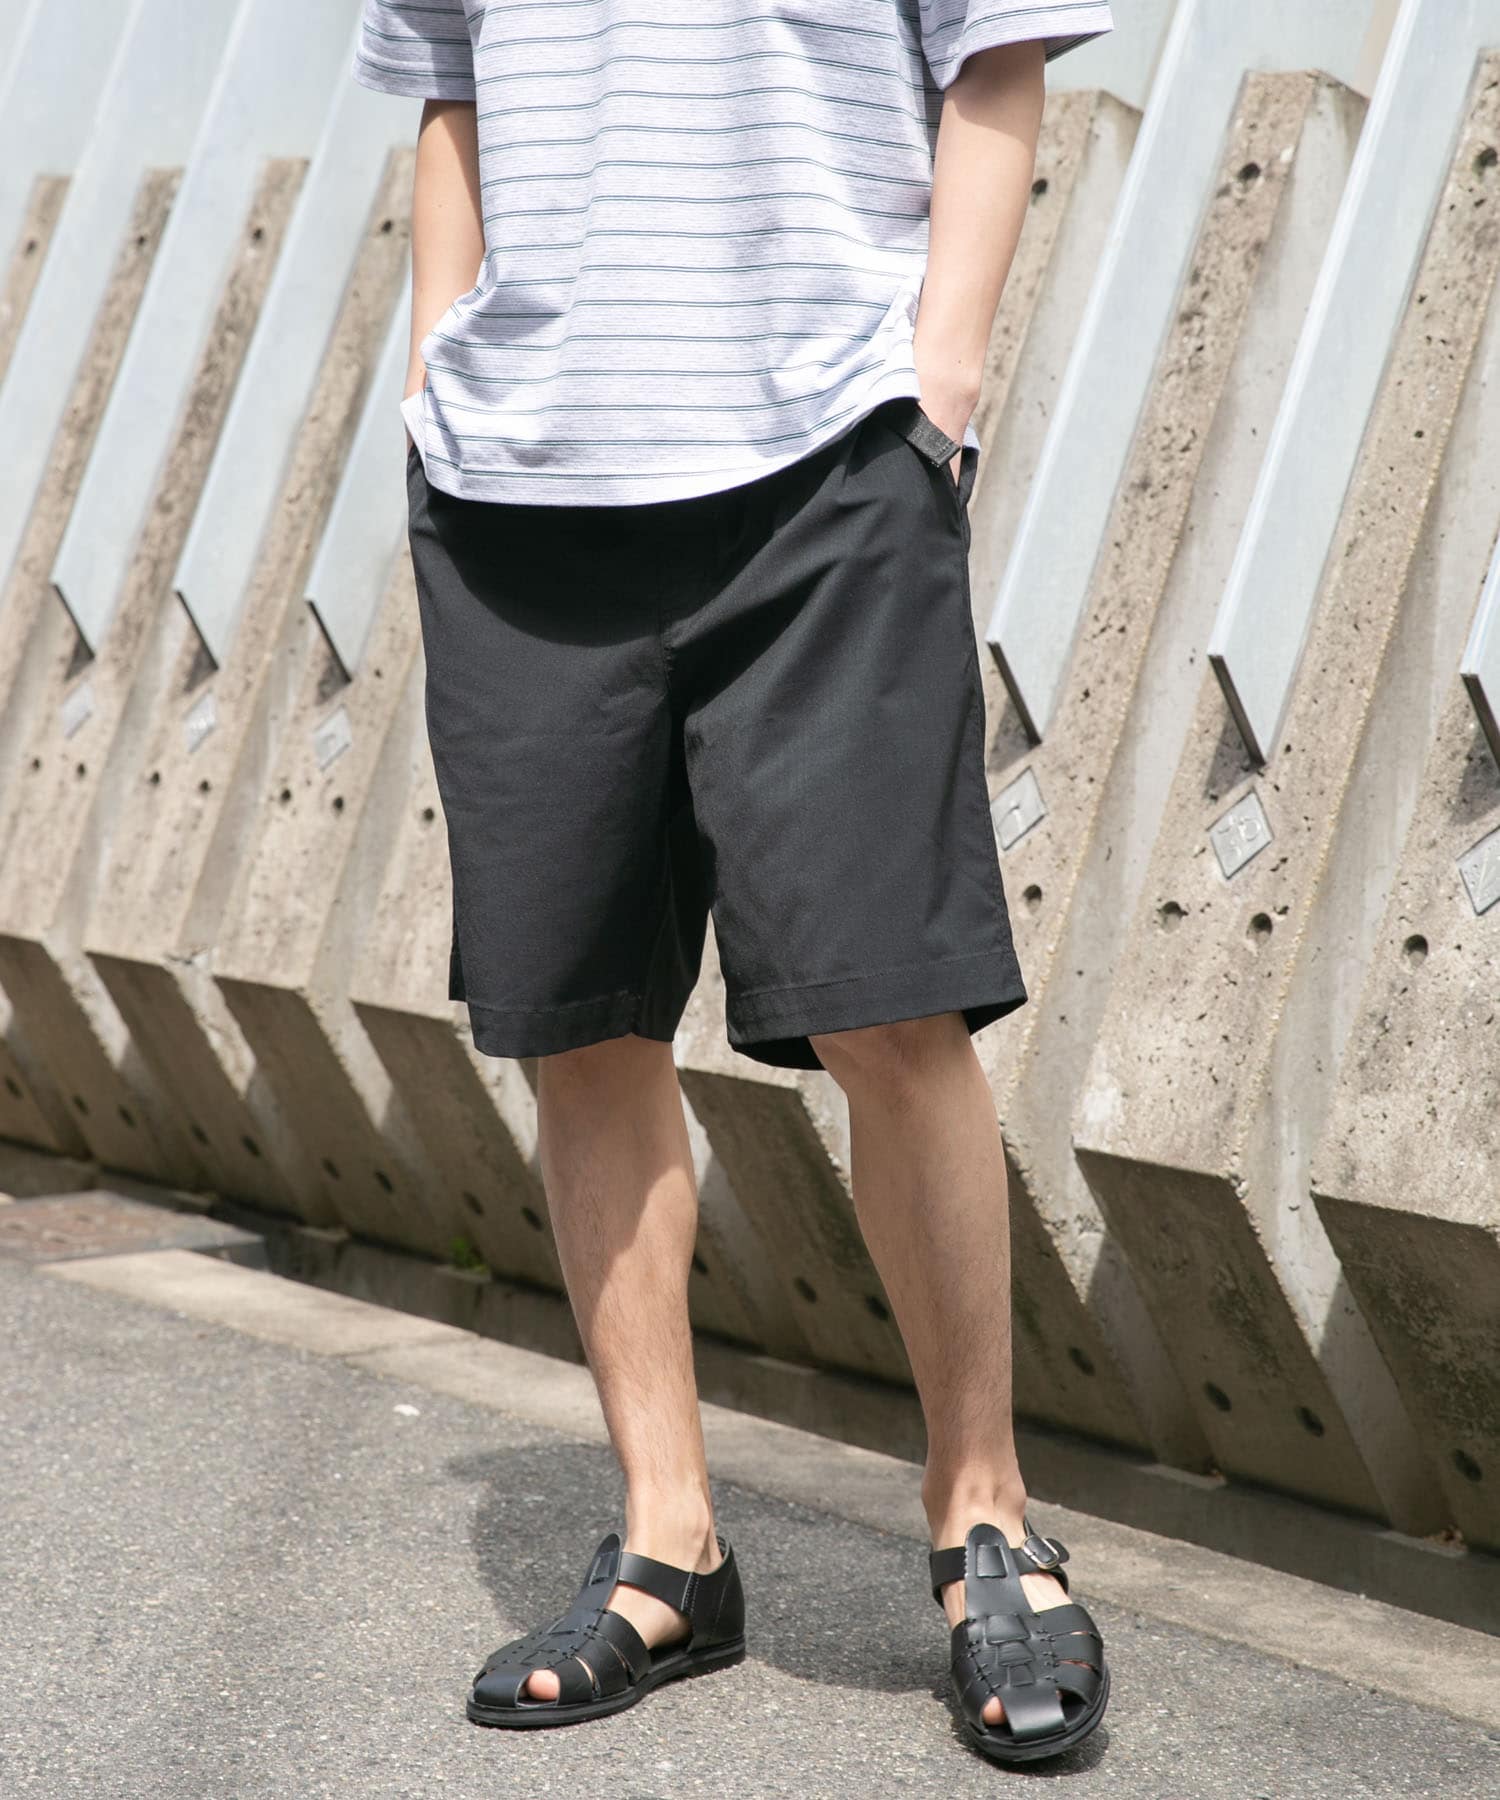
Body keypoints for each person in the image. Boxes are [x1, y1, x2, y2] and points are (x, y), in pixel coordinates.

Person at [352, 0, 1114, 1767]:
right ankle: (670, 1543)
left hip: (829, 461)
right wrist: (433, 377)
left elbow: (996, 55)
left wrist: (942, 383)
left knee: (889, 1005)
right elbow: (453, 95)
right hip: (519, 494)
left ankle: (985, 1518)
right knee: (580, 1023)